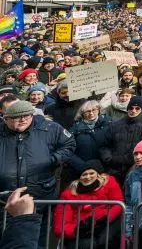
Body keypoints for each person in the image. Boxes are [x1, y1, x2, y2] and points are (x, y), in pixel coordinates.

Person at [0, 100, 75, 248]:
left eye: (27, 116)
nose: (23, 119)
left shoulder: (50, 128)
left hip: (40, 198)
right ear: (6, 119)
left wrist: (54, 159)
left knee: (37, 240)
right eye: (17, 117)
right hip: (4, 203)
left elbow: (69, 143)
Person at [53, 161, 124, 249]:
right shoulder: (68, 194)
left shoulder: (109, 183)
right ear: (79, 177)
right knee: (86, 244)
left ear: (98, 174)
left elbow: (118, 204)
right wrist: (78, 229)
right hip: (80, 233)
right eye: (84, 174)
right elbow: (60, 226)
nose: (88, 177)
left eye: (91, 173)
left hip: (104, 227)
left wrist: (105, 219)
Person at [99, 95, 142, 184]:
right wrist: (109, 159)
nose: (133, 111)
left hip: (138, 169)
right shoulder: (116, 125)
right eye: (131, 108)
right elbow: (105, 146)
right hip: (116, 169)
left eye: (137, 108)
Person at [66, 100, 112, 183]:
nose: (91, 113)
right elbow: (67, 149)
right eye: (87, 111)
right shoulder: (75, 129)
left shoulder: (109, 123)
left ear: (99, 110)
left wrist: (110, 159)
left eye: (94, 110)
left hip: (107, 167)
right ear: (82, 113)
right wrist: (80, 165)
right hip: (84, 170)